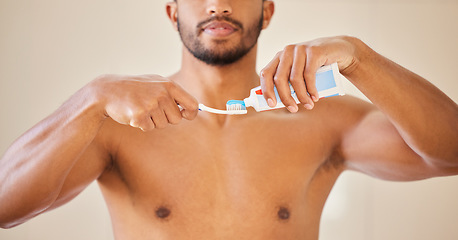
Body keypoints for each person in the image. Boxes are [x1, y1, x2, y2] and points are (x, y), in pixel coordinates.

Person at [0, 0, 457, 239]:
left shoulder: (322, 122)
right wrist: (90, 97)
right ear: (172, 11)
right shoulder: (118, 124)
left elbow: (450, 153)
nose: (218, 3)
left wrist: (358, 56)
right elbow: (5, 207)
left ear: (268, 10)